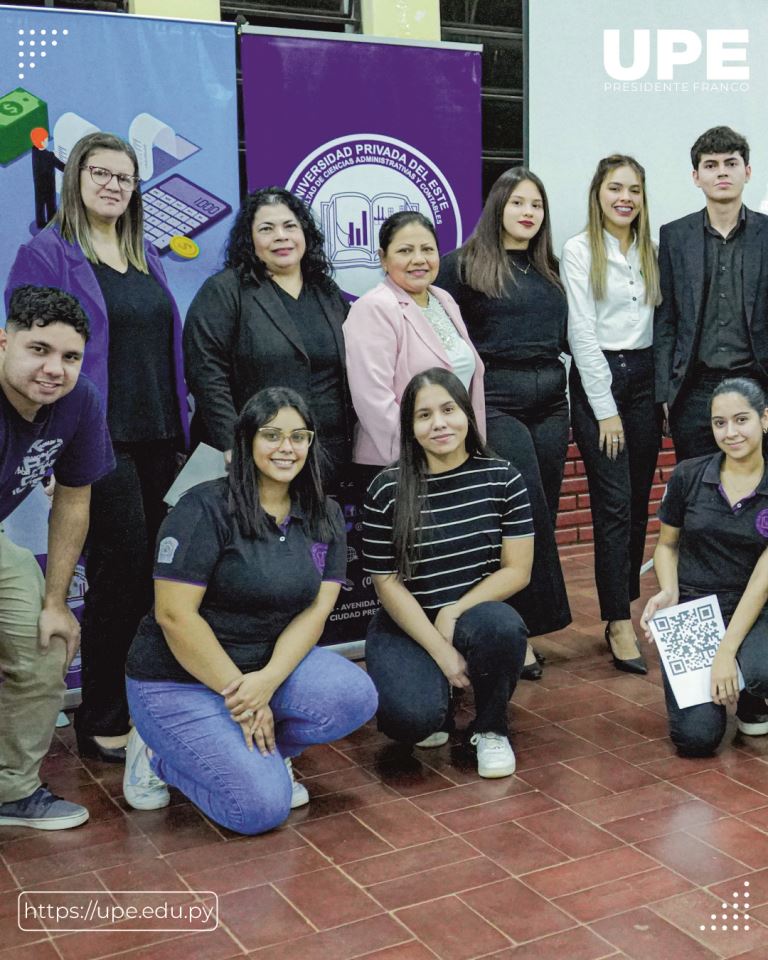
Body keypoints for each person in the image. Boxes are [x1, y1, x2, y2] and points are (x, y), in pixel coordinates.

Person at [5, 131, 189, 762]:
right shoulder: (47, 252)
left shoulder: (147, 254)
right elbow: (35, 360)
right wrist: (54, 447)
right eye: (100, 173)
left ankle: (145, 704)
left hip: (164, 436)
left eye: (125, 176)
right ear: (75, 179)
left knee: (159, 577)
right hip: (99, 439)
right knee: (120, 577)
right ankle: (101, 717)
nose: (113, 185)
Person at [123, 387, 378, 834]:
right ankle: (158, 756)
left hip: (260, 672)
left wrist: (268, 681)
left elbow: (317, 612)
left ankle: (259, 753)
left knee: (354, 696)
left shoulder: (325, 513)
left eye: (299, 437)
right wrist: (243, 697)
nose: (287, 448)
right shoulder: (204, 507)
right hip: (178, 679)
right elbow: (174, 616)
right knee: (259, 810)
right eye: (272, 435)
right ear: (246, 441)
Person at [362, 369, 532, 778]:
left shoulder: (503, 477)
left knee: (503, 627)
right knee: (412, 723)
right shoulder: (386, 488)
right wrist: (440, 650)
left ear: (467, 415)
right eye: (424, 415)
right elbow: (387, 584)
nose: (438, 423)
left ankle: (490, 729)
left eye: (448, 410)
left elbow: (518, 570)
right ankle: (438, 703)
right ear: (410, 427)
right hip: (407, 622)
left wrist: (455, 611)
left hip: (472, 614)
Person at [437, 168, 571, 676]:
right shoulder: (462, 266)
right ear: (498, 207)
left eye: (536, 204)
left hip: (551, 404)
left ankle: (519, 625)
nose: (528, 212)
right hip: (496, 403)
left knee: (546, 512)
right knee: (521, 514)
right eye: (518, 202)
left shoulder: (550, 269)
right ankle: (520, 630)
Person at [0, 285, 113, 830]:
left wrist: (55, 601)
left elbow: (73, 499)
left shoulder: (80, 401)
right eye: (38, 349)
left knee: (46, 640)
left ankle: (11, 789)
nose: (54, 369)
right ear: (4, 342)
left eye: (69, 357)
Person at [561, 154, 661, 674]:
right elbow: (581, 333)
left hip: (644, 379)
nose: (625, 197)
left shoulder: (651, 250)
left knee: (640, 500)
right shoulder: (579, 250)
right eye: (615, 188)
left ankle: (622, 600)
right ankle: (617, 618)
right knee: (614, 503)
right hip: (601, 380)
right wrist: (605, 411)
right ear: (597, 193)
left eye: (635, 190)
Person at [183, 187, 354, 484]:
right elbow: (206, 372)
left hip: (328, 457)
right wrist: (231, 442)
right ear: (250, 239)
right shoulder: (224, 291)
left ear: (305, 233)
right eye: (266, 229)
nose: (281, 236)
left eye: (290, 226)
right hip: (255, 458)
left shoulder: (326, 292)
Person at [641, 378, 768, 757]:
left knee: (761, 670)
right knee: (696, 740)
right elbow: (666, 545)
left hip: (758, 605)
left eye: (741, 420)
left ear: (765, 419)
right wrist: (668, 591)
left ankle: (752, 694)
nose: (731, 433)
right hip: (696, 608)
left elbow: (762, 584)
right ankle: (740, 685)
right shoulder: (688, 475)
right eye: (719, 423)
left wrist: (725, 653)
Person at [654, 126, 768, 462]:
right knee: (699, 493)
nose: (721, 172)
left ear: (746, 172)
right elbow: (666, 319)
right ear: (696, 176)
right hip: (694, 390)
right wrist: (665, 392)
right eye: (711, 164)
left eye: (731, 163)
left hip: (757, 382)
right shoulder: (675, 236)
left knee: (759, 496)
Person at [344, 211, 485, 467]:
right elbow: (373, 399)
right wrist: (418, 457)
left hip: (454, 455)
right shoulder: (374, 307)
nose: (419, 260)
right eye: (405, 251)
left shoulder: (444, 299)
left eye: (427, 249)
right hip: (400, 463)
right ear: (383, 258)